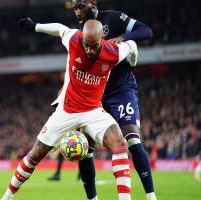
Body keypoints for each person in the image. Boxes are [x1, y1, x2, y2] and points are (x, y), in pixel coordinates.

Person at [1, 18, 138, 200]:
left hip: (94, 112)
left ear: (103, 39)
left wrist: (133, 62)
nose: (88, 50)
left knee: (120, 144)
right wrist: (36, 27)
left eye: (93, 46)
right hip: (66, 111)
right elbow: (59, 29)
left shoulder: (113, 52)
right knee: (35, 154)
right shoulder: (74, 39)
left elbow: (132, 46)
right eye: (86, 45)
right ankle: (7, 197)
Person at [48, 1, 157, 200]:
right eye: (74, 7)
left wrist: (123, 38)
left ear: (93, 3)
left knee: (132, 140)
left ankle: (151, 196)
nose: (77, 11)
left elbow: (146, 31)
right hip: (93, 95)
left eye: (80, 5)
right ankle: (92, 198)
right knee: (85, 148)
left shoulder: (114, 18)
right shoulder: (79, 33)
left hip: (121, 90)